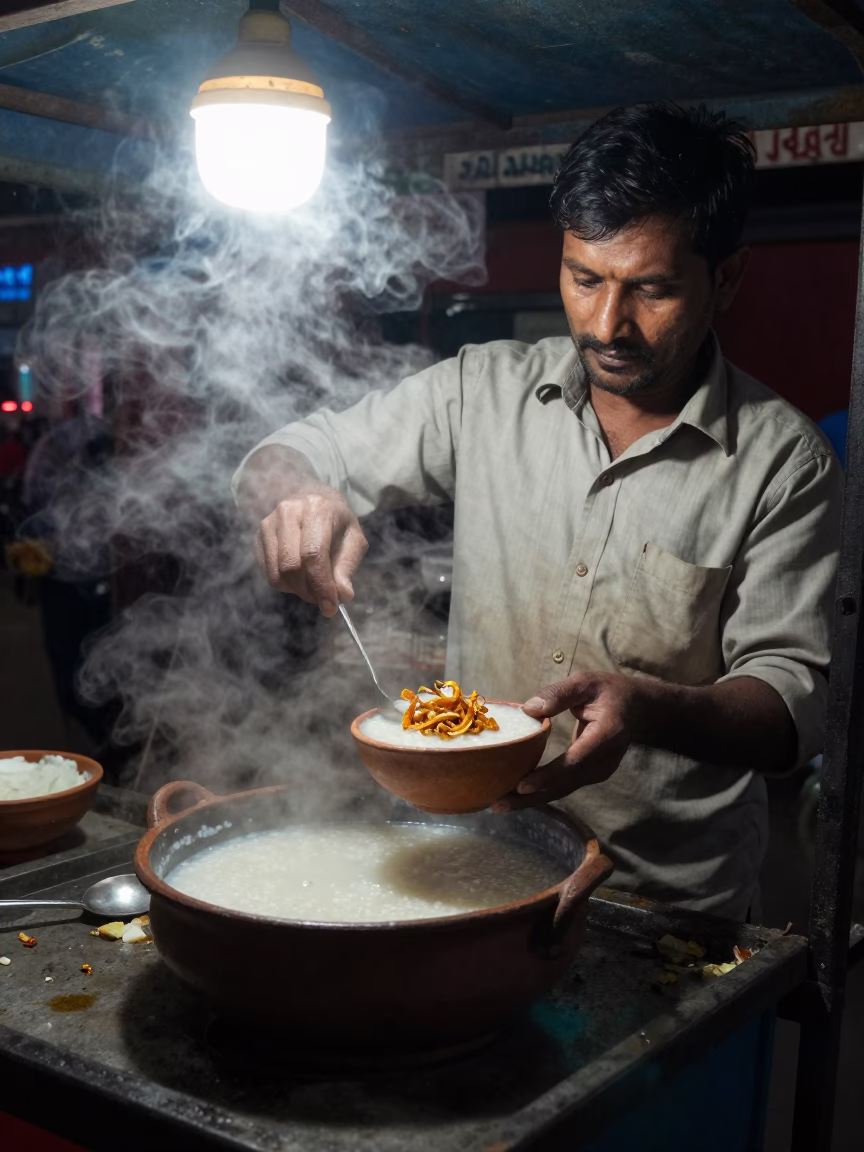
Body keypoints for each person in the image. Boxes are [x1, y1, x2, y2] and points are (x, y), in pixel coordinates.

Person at [234, 103, 843, 921]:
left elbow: (790, 707)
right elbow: (294, 450)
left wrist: (647, 706)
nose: (605, 324)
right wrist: (295, 496)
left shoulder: (783, 462)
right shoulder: (481, 389)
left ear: (726, 278)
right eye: (584, 278)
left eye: (651, 289)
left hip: (660, 903)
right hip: (477, 865)